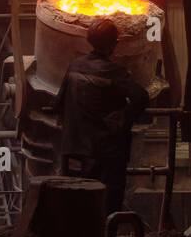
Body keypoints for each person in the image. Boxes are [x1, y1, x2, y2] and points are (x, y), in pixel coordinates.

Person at [50, 18, 149, 214]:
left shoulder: (74, 66)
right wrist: (123, 116)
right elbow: (141, 97)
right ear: (114, 43)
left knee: (76, 202)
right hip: (106, 153)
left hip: (75, 148)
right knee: (108, 203)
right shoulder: (113, 72)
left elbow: (58, 103)